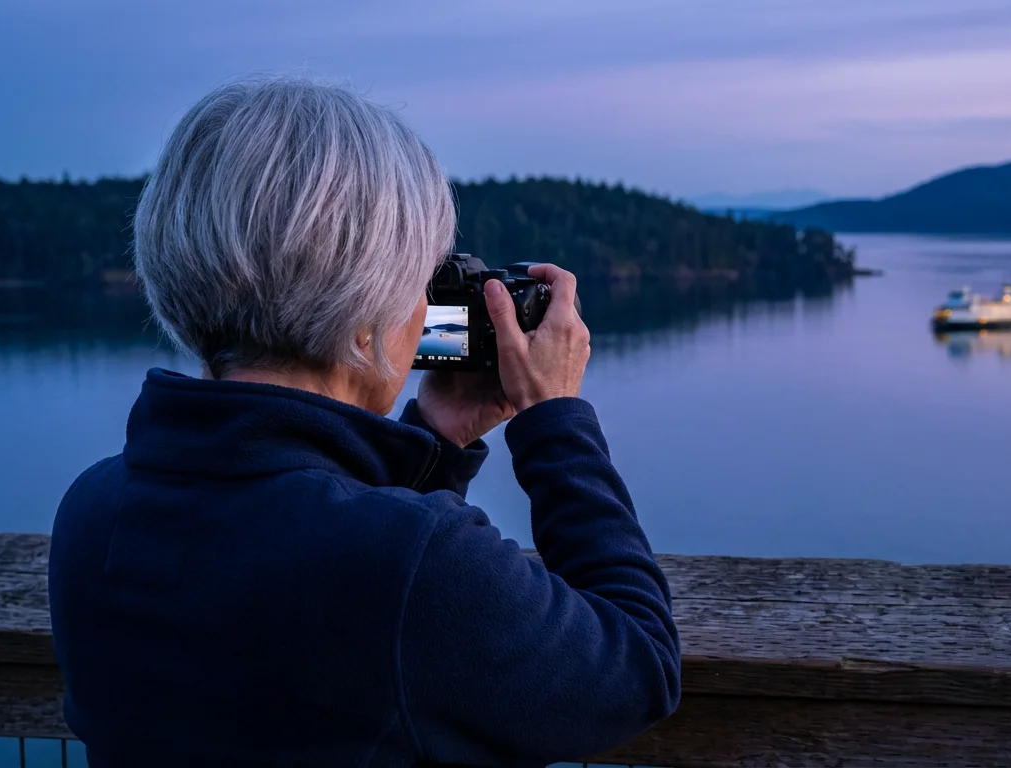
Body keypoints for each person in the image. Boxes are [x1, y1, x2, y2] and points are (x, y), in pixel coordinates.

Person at [47, 76, 680, 767]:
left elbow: (295, 538)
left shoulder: (93, 511)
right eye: (422, 276)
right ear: (368, 297)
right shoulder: (410, 560)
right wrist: (554, 420)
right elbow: (635, 669)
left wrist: (433, 442)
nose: (424, 308)